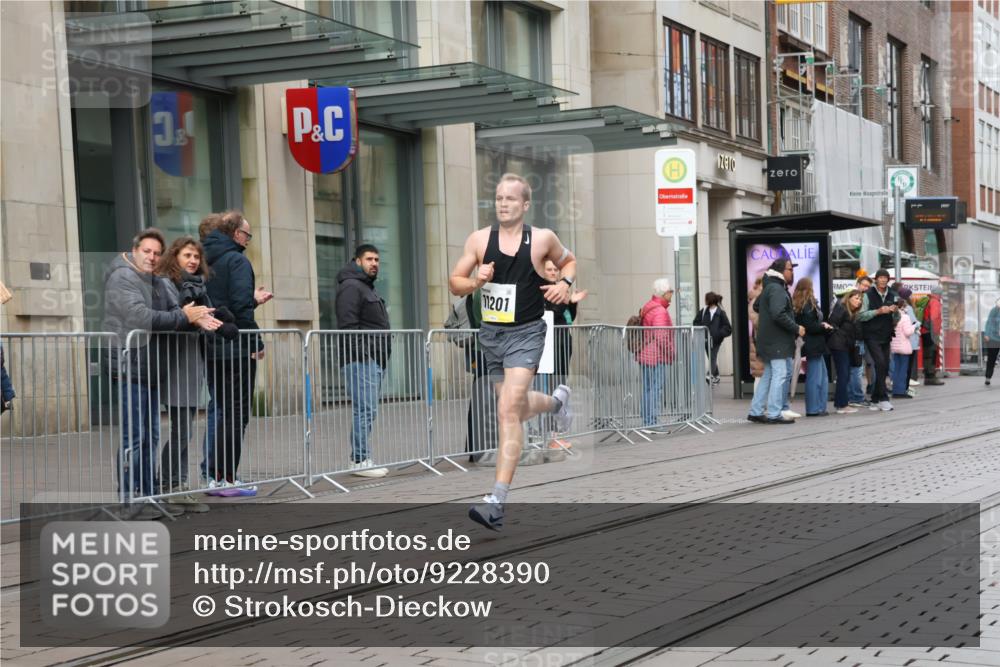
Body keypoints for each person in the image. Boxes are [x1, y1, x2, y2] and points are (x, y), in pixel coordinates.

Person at [449, 172, 576, 531]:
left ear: (525, 204)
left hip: (526, 333)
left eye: (510, 198)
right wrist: (477, 281)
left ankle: (496, 500)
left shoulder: (541, 239)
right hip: (491, 336)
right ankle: (555, 404)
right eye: (499, 197)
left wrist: (564, 285)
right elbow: (454, 282)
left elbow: (570, 261)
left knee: (507, 411)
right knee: (515, 407)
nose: (503, 203)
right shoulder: (478, 240)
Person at [103, 228, 220, 501]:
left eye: (157, 253)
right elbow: (140, 316)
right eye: (147, 251)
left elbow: (171, 312)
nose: (152, 257)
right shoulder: (123, 276)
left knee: (151, 437)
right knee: (135, 438)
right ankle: (131, 497)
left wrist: (197, 318)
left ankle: (149, 493)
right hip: (129, 366)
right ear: (135, 251)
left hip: (151, 368)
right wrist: (184, 316)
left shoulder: (156, 279)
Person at [156, 236, 238, 508]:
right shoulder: (166, 284)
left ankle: (175, 484)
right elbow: (173, 316)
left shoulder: (199, 285)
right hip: (175, 361)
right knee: (182, 429)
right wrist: (194, 318)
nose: (192, 261)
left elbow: (206, 316)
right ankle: (169, 484)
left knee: (185, 429)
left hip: (194, 360)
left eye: (195, 257)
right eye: (187, 255)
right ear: (175, 257)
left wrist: (219, 319)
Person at [202, 211, 273, 493]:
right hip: (235, 349)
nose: (248, 240)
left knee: (221, 411)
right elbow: (240, 306)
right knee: (236, 414)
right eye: (246, 234)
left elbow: (223, 304)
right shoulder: (237, 260)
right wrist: (255, 343)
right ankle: (227, 479)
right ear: (235, 234)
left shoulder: (204, 260)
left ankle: (215, 475)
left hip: (211, 346)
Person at [335, 244, 391, 478]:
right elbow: (348, 325)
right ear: (357, 261)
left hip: (372, 360)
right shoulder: (351, 287)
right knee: (364, 411)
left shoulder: (366, 288)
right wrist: (364, 354)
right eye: (369, 259)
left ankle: (361, 457)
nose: (374, 263)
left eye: (377, 259)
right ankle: (359, 459)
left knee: (368, 410)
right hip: (361, 361)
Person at [747, 258, 804, 425]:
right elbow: (778, 314)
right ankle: (774, 413)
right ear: (780, 270)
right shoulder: (777, 288)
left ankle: (756, 411)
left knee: (769, 375)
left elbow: (758, 306)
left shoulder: (770, 286)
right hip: (777, 341)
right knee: (779, 375)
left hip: (769, 340)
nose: (792, 272)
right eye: (789, 269)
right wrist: (796, 328)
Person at [542, 259, 586, 448]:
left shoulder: (559, 289)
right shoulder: (544, 290)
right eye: (549, 270)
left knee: (560, 387)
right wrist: (565, 299)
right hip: (549, 346)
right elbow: (552, 313)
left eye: (555, 270)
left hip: (562, 343)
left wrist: (572, 304)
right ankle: (552, 436)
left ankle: (556, 433)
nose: (553, 272)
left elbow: (567, 317)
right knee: (553, 390)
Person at [856, 269, 900, 411]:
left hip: (886, 335)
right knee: (880, 363)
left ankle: (875, 398)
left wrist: (895, 312)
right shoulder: (868, 294)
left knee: (885, 365)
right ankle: (883, 398)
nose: (883, 280)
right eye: (880, 277)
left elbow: (897, 319)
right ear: (876, 279)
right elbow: (861, 316)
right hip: (871, 335)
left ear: (888, 279)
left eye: (885, 278)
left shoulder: (893, 294)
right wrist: (878, 311)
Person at [637, 279, 676, 429]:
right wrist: (671, 352)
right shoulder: (660, 310)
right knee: (655, 388)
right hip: (657, 356)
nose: (672, 294)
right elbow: (661, 336)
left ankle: (648, 420)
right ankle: (652, 421)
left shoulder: (649, 306)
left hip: (646, 354)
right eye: (671, 291)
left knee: (648, 387)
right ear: (665, 293)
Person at [792, 278, 833, 417]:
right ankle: (814, 409)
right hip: (814, 344)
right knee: (816, 377)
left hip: (811, 343)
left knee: (820, 376)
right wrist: (823, 326)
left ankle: (819, 407)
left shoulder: (799, 303)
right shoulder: (808, 304)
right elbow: (811, 326)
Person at [827, 289, 863, 414]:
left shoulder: (852, 313)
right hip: (839, 345)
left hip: (845, 345)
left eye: (860, 299)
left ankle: (842, 403)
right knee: (843, 374)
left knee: (845, 374)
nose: (859, 301)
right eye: (856, 298)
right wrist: (841, 334)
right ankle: (841, 405)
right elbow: (832, 323)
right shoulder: (841, 308)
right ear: (849, 298)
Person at [694, 292, 732, 385]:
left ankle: (709, 375)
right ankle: (717, 376)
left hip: (716, 340)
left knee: (713, 357)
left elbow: (728, 327)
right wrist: (702, 329)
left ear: (709, 300)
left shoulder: (721, 312)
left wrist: (719, 334)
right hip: (705, 339)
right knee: (711, 357)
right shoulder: (703, 311)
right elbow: (695, 322)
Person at [848, 274, 873, 408]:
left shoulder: (862, 297)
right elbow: (858, 317)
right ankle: (856, 397)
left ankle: (853, 396)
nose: (866, 288)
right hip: (855, 337)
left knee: (855, 368)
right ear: (858, 283)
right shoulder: (853, 296)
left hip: (857, 336)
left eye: (868, 287)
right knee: (857, 369)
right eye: (864, 285)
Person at [889, 295, 918, 401]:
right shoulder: (905, 317)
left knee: (896, 369)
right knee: (903, 370)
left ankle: (895, 390)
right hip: (903, 346)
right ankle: (900, 391)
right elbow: (907, 332)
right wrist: (915, 326)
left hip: (894, 346)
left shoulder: (892, 316)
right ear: (903, 307)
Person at [921, 286, 945, 385]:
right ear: (939, 293)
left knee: (927, 354)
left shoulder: (929, 300)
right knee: (932, 354)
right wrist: (935, 333)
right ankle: (931, 377)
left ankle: (928, 376)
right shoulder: (935, 302)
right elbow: (934, 318)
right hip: (931, 332)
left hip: (925, 331)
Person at [747, 277, 764, 383]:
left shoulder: (756, 296)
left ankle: (759, 398)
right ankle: (759, 399)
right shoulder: (759, 297)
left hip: (756, 336)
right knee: (760, 371)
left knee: (760, 371)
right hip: (759, 337)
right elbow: (754, 317)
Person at [985, 297, 1000, 385]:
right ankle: (988, 377)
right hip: (993, 338)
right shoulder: (994, 311)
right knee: (991, 358)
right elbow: (989, 322)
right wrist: (987, 334)